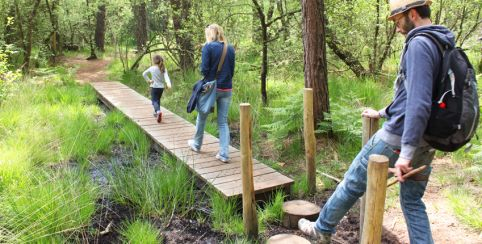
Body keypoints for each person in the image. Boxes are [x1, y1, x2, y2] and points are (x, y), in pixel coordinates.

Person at [298, 0, 455, 243]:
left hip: (400, 138)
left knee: (352, 183)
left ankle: (322, 228)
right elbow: (411, 93)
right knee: (413, 202)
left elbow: (418, 102)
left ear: (411, 14)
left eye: (396, 20)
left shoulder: (419, 44)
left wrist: (406, 153)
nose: (396, 27)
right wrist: (382, 112)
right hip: (429, 139)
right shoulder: (442, 42)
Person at [188, 24, 236, 163]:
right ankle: (224, 154)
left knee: (202, 116)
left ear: (210, 34)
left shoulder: (208, 47)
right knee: (223, 122)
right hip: (226, 88)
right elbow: (232, 70)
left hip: (210, 87)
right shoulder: (230, 48)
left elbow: (204, 69)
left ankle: (197, 145)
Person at [142, 55, 172, 123]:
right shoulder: (163, 68)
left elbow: (144, 74)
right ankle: (156, 112)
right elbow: (166, 77)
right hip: (161, 88)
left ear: (154, 61)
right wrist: (168, 84)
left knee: (154, 101)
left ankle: (158, 112)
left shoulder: (152, 68)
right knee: (157, 100)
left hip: (154, 87)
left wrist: (149, 80)